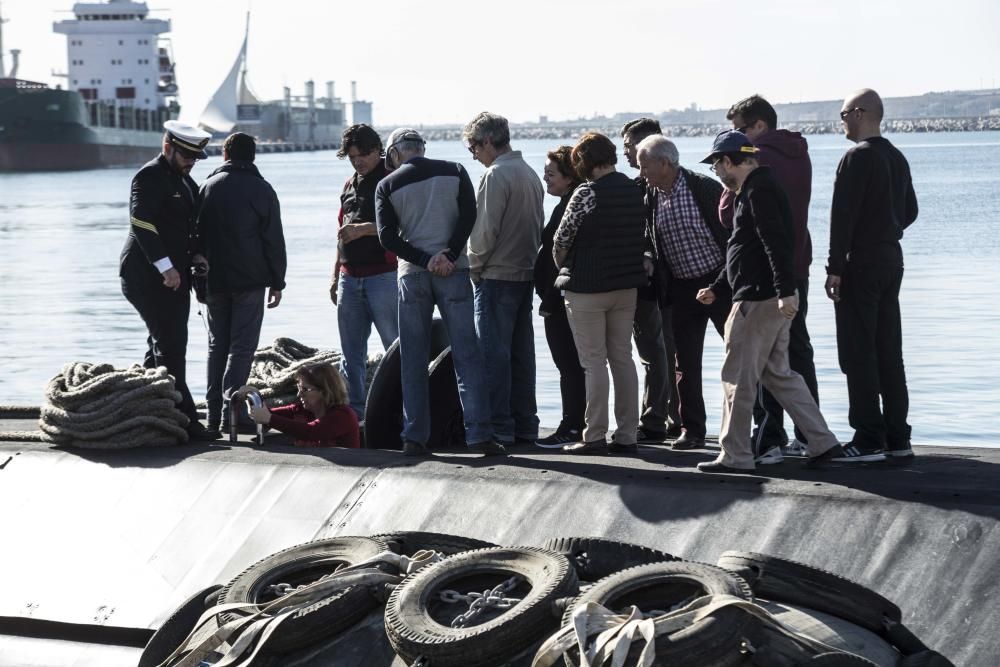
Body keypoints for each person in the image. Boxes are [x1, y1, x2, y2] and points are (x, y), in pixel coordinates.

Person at [694, 130, 876, 472]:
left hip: (757, 300)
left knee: (737, 377)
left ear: (730, 161)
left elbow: (775, 243)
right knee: (779, 375)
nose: (716, 171)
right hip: (765, 296)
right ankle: (821, 441)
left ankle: (734, 455)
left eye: (717, 164)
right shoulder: (756, 189)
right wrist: (719, 286)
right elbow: (743, 247)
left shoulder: (758, 191)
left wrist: (785, 290)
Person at [374, 128, 502, 457]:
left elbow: (387, 238)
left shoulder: (386, 185)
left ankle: (415, 436)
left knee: (413, 360)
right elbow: (469, 216)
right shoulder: (455, 170)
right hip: (454, 271)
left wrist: (424, 259)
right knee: (467, 356)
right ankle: (480, 435)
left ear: (395, 154)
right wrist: (447, 254)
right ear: (422, 148)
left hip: (413, 276)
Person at [720, 95, 819, 464]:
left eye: (738, 130)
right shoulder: (799, 153)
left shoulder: (758, 162)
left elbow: (728, 213)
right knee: (794, 355)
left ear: (758, 126)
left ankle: (768, 440)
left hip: (762, 278)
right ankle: (812, 437)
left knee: (756, 363)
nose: (735, 138)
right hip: (797, 266)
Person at [827, 88, 918, 459]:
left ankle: (867, 437)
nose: (842, 121)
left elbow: (841, 218)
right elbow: (910, 211)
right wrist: (887, 229)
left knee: (858, 350)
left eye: (845, 114)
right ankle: (898, 437)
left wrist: (835, 268)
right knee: (889, 350)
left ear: (861, 113)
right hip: (891, 259)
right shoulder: (896, 156)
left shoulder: (856, 158)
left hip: (860, 262)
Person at [120, 120, 216, 441]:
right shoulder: (149, 176)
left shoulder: (186, 183)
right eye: (186, 156)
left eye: (195, 158)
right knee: (171, 345)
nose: (191, 162)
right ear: (167, 148)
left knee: (162, 344)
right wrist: (165, 266)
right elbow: (141, 222)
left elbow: (191, 228)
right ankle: (187, 420)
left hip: (175, 276)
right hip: (147, 276)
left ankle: (148, 407)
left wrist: (198, 255)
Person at [552, 132, 647, 455]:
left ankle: (594, 435)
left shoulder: (586, 193)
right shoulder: (635, 190)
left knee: (594, 362)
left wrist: (564, 265)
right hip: (626, 285)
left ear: (584, 163)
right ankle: (627, 435)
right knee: (622, 358)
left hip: (587, 288)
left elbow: (562, 239)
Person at [635, 134, 730, 451]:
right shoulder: (651, 193)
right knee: (685, 363)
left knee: (740, 357)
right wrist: (648, 257)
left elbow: (732, 236)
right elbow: (650, 236)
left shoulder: (703, 187)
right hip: (681, 287)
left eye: (644, 165)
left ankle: (756, 430)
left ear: (665, 163)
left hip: (719, 282)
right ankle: (692, 429)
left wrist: (724, 283)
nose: (641, 171)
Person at [195, 132, 286, 437]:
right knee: (242, 348)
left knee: (216, 347)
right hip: (250, 280)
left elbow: (193, 234)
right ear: (253, 157)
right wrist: (277, 281)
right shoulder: (262, 190)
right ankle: (231, 415)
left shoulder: (206, 187)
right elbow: (273, 239)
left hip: (214, 280)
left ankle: (212, 418)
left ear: (225, 154)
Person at [464, 112, 544, 447]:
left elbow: (485, 231)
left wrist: (472, 266)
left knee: (493, 358)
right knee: (521, 355)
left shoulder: (495, 175)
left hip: (496, 275)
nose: (473, 156)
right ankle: (526, 423)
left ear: (485, 142)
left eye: (473, 148)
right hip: (525, 274)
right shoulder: (528, 173)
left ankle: (499, 426)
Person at [620, 118, 682, 444]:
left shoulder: (649, 188)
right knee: (667, 349)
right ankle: (672, 415)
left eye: (629, 145)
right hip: (670, 281)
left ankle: (656, 417)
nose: (626, 152)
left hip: (657, 283)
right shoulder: (656, 185)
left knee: (655, 351)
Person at [332, 124, 399, 419]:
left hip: (383, 277)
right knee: (351, 355)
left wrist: (363, 230)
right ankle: (356, 415)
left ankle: (402, 411)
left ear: (377, 151)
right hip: (349, 277)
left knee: (396, 347)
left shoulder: (391, 180)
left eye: (363, 154)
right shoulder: (348, 185)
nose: (358, 161)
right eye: (352, 156)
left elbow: (401, 226)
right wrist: (335, 275)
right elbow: (341, 233)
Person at [533, 146, 586, 448]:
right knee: (574, 365)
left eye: (551, 173)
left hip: (562, 299)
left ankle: (572, 425)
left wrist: (551, 300)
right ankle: (579, 423)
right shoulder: (567, 202)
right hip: (558, 298)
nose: (545, 178)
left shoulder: (571, 206)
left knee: (570, 365)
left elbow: (566, 256)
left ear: (569, 177)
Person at [249, 364, 360, 448]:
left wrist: (269, 419)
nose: (299, 394)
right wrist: (252, 398)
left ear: (325, 391)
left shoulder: (344, 416)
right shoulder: (302, 410)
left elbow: (312, 431)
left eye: (305, 389)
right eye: (299, 388)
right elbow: (265, 414)